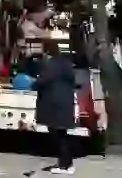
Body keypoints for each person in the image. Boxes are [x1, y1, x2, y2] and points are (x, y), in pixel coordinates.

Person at [34, 41, 79, 175]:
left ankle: (65, 165)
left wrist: (34, 83)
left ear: (47, 52)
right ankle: (67, 163)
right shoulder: (65, 63)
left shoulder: (51, 65)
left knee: (58, 137)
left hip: (55, 105)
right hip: (65, 102)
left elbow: (42, 81)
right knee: (62, 135)